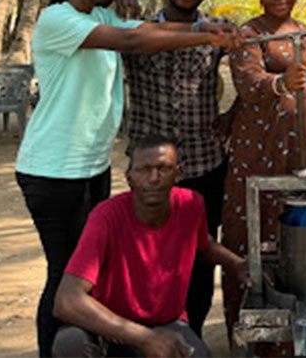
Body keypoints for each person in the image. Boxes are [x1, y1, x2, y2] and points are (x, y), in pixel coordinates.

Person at [14, 0, 241, 356]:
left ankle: (130, 341)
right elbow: (136, 39)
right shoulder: (57, 19)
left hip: (92, 164)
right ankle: (59, 349)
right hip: (52, 166)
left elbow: (148, 28)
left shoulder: (100, 14)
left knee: (92, 272)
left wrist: (204, 31)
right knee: (65, 273)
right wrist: (203, 34)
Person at [51, 134, 248, 358]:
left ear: (178, 173)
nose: (154, 178)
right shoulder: (106, 216)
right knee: (70, 343)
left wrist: (237, 264)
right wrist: (144, 338)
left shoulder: (192, 205)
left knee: (198, 355)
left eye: (163, 168)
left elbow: (203, 244)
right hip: (110, 325)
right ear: (129, 178)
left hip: (166, 323)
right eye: (144, 170)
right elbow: (66, 300)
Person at [122, 0, 234, 337]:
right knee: (148, 254)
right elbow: (86, 11)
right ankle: (151, 334)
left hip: (204, 162)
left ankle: (194, 334)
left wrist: (232, 116)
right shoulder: (135, 30)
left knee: (202, 255)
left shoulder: (218, 31)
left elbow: (256, 58)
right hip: (149, 169)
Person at [221, 0, 306, 336]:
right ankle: (256, 331)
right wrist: (281, 82)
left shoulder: (301, 28)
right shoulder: (247, 33)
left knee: (302, 231)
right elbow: (248, 82)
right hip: (262, 147)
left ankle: (305, 322)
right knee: (252, 226)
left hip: (304, 146)